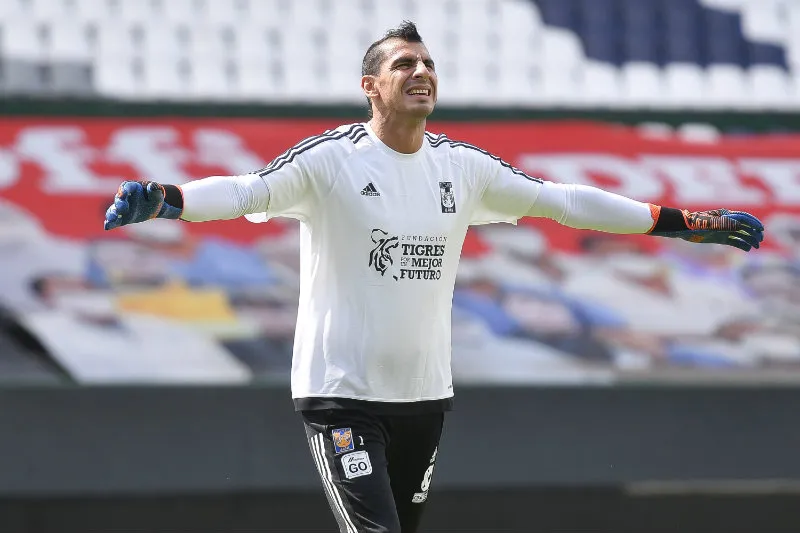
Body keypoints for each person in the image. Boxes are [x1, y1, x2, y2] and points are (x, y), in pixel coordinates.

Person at [101, 21, 765, 533]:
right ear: (371, 86)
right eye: (403, 64)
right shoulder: (330, 161)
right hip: (342, 396)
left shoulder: (464, 168)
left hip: (423, 396)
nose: (421, 72)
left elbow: (565, 200)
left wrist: (680, 221)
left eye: (427, 64)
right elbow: (247, 189)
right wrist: (171, 198)